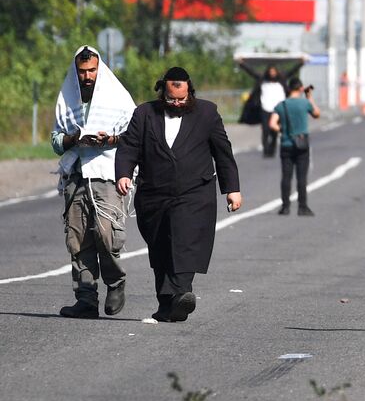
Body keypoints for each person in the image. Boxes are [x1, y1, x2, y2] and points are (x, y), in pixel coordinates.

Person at [115, 67, 242, 323]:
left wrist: (232, 189)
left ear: (190, 92)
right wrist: (124, 173)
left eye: (181, 99)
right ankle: (167, 305)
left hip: (194, 192)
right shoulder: (145, 113)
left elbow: (222, 152)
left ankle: (183, 292)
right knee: (160, 246)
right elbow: (130, 146)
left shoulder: (207, 113)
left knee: (183, 240)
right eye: (171, 99)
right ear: (163, 93)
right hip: (153, 193)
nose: (176, 103)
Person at [52, 45, 137, 318]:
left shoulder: (117, 97)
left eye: (92, 70)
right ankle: (86, 297)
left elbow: (135, 135)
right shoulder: (67, 99)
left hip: (107, 172)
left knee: (105, 233)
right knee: (77, 238)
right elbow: (55, 141)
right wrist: (73, 139)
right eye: (82, 71)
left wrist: (109, 140)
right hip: (76, 173)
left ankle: (115, 283)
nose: (87, 76)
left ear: (99, 69)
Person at [268, 77, 320, 217]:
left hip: (286, 144)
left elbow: (272, 123)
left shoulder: (281, 105)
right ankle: (302, 207)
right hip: (302, 144)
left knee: (286, 176)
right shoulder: (304, 103)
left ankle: (285, 207)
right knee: (301, 177)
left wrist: (283, 130)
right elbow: (317, 114)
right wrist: (309, 97)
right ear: (301, 88)